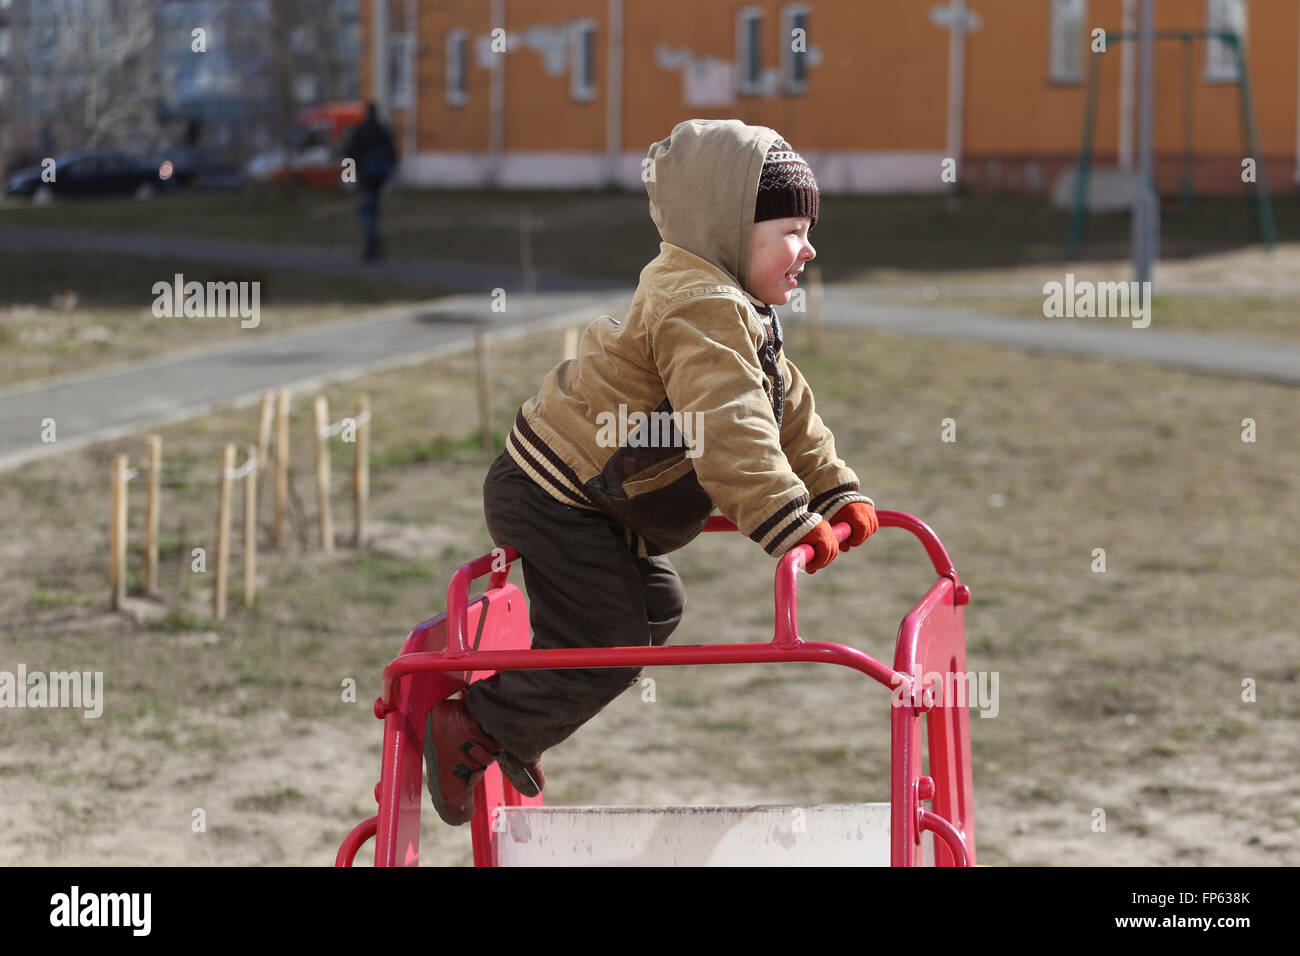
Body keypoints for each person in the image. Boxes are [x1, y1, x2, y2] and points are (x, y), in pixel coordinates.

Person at [424, 119, 880, 826]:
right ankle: (474, 728)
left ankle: (519, 721)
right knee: (608, 640)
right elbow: (730, 425)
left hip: (587, 500)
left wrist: (833, 488)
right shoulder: (699, 303)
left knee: (653, 611)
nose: (808, 248)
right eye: (790, 229)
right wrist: (788, 518)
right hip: (554, 493)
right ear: (729, 227)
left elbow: (784, 409)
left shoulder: (734, 306)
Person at [344, 102, 398, 261]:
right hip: (379, 179)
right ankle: (374, 245)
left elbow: (350, 154)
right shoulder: (382, 130)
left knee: (366, 213)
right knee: (373, 211)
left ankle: (371, 245)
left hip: (365, 179)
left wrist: (348, 179)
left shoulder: (360, 130)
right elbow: (393, 154)